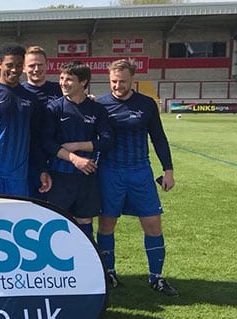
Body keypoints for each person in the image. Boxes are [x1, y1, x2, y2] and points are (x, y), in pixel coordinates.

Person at [96, 60, 178, 296]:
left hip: (140, 171)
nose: (117, 86)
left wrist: (168, 170)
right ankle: (109, 272)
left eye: (122, 81)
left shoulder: (146, 104)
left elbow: (159, 138)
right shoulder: (100, 105)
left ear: (133, 80)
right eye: (113, 81)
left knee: (153, 224)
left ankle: (157, 277)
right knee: (107, 224)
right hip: (110, 172)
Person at [0, 44, 51, 197]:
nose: (14, 70)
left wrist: (42, 169)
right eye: (9, 65)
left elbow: (35, 139)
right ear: (0, 64)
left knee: (16, 220)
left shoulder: (30, 99)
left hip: (18, 178)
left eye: (19, 65)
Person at [40, 61, 112, 240]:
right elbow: (47, 142)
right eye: (61, 78)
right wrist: (74, 158)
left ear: (83, 82)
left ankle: (86, 266)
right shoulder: (53, 108)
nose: (63, 83)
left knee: (84, 221)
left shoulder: (97, 109)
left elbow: (107, 140)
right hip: (59, 176)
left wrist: (78, 146)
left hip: (86, 177)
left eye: (69, 79)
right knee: (56, 223)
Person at [22, 46, 63, 198]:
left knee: (59, 208)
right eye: (32, 65)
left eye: (40, 64)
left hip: (58, 158)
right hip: (28, 160)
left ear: (47, 64)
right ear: (24, 68)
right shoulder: (18, 92)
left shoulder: (59, 90)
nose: (36, 69)